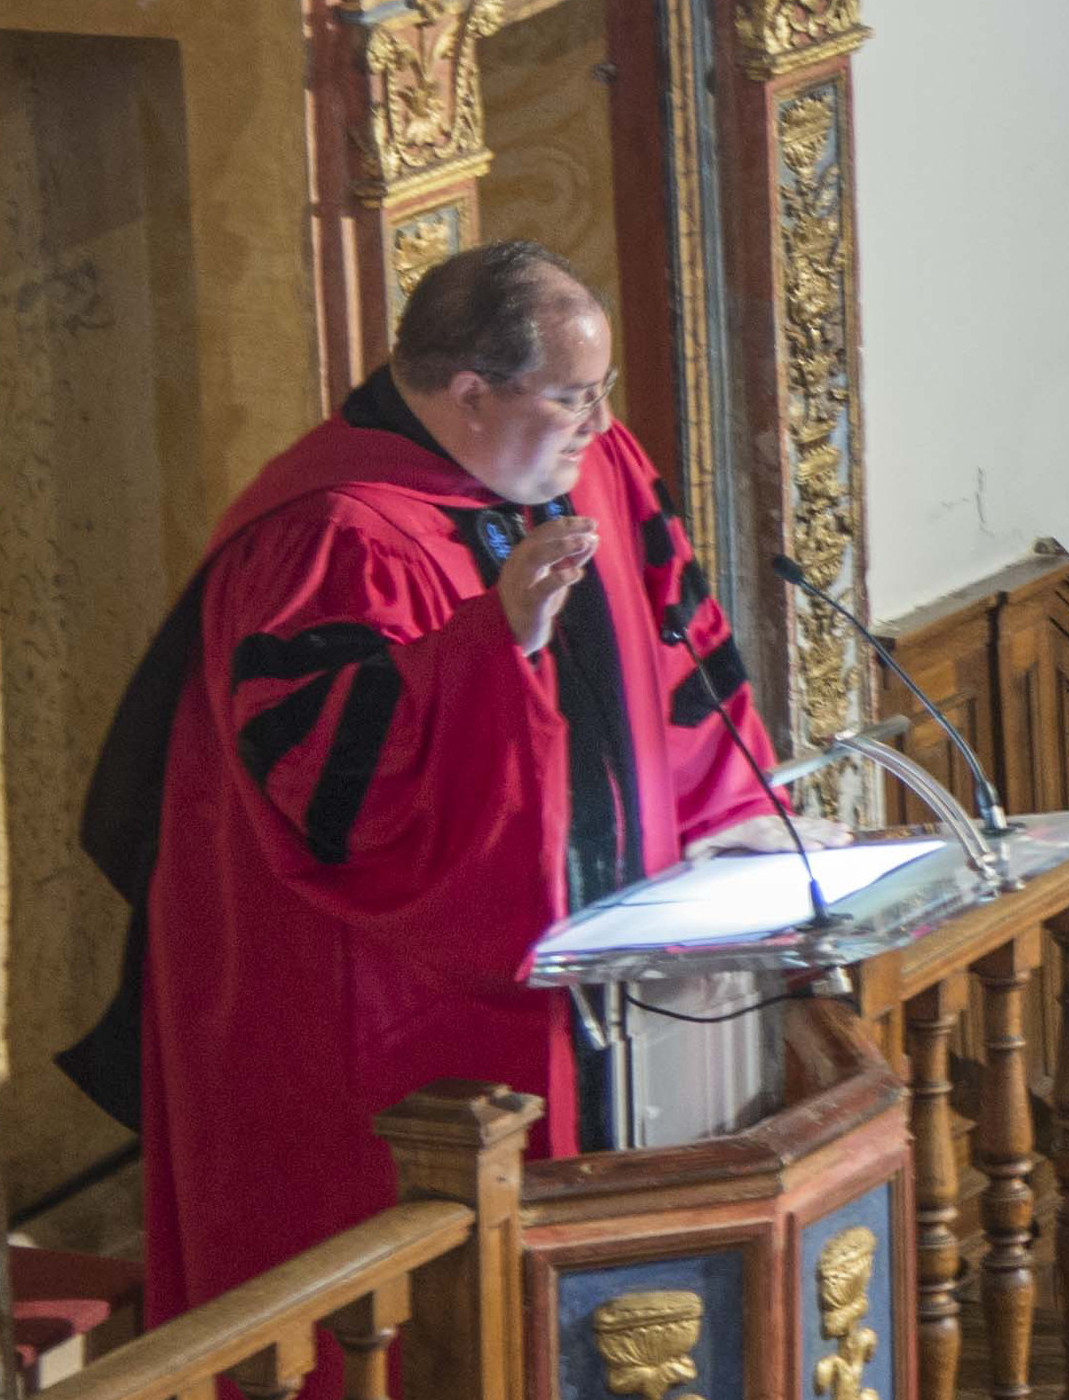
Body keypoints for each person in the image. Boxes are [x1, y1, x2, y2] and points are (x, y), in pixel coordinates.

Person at [61, 241, 844, 1384]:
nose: (599, 421)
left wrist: (735, 817)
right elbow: (335, 798)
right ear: (470, 392)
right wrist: (493, 640)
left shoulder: (595, 463)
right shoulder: (328, 534)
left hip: (622, 992)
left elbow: (683, 648)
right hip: (392, 1017)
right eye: (572, 395)